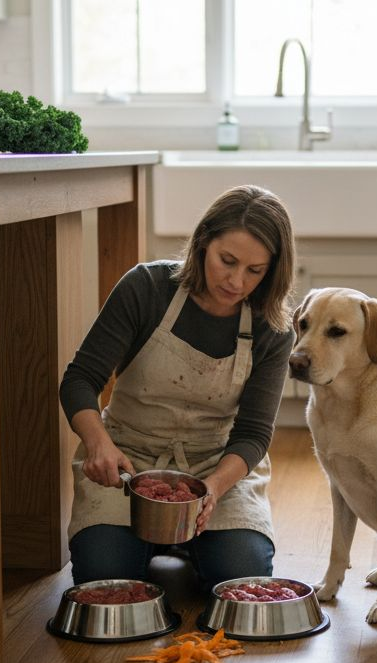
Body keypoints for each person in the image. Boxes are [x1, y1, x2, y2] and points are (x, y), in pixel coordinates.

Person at [59, 184, 297, 591]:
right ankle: (151, 544)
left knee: (241, 572)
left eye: (255, 271)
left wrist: (212, 491)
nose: (237, 281)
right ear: (203, 242)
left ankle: (192, 542)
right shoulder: (146, 289)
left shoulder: (271, 328)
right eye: (227, 261)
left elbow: (254, 434)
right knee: (103, 573)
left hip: (215, 466)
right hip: (127, 462)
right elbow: (80, 379)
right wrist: (99, 444)